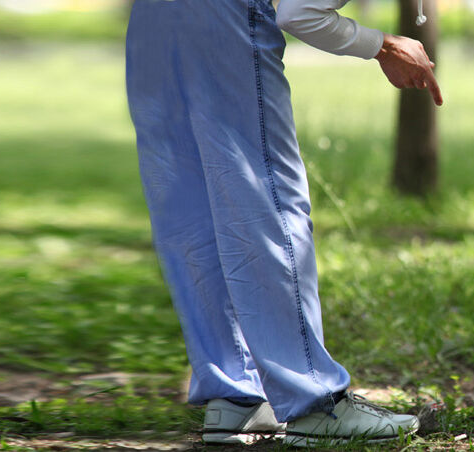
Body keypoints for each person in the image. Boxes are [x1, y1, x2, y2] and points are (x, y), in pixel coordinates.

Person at [124, 0, 440, 445]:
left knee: (192, 212)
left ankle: (233, 398)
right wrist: (383, 45)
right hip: (224, 20)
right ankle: (314, 403)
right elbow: (300, 12)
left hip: (153, 21)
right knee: (267, 201)